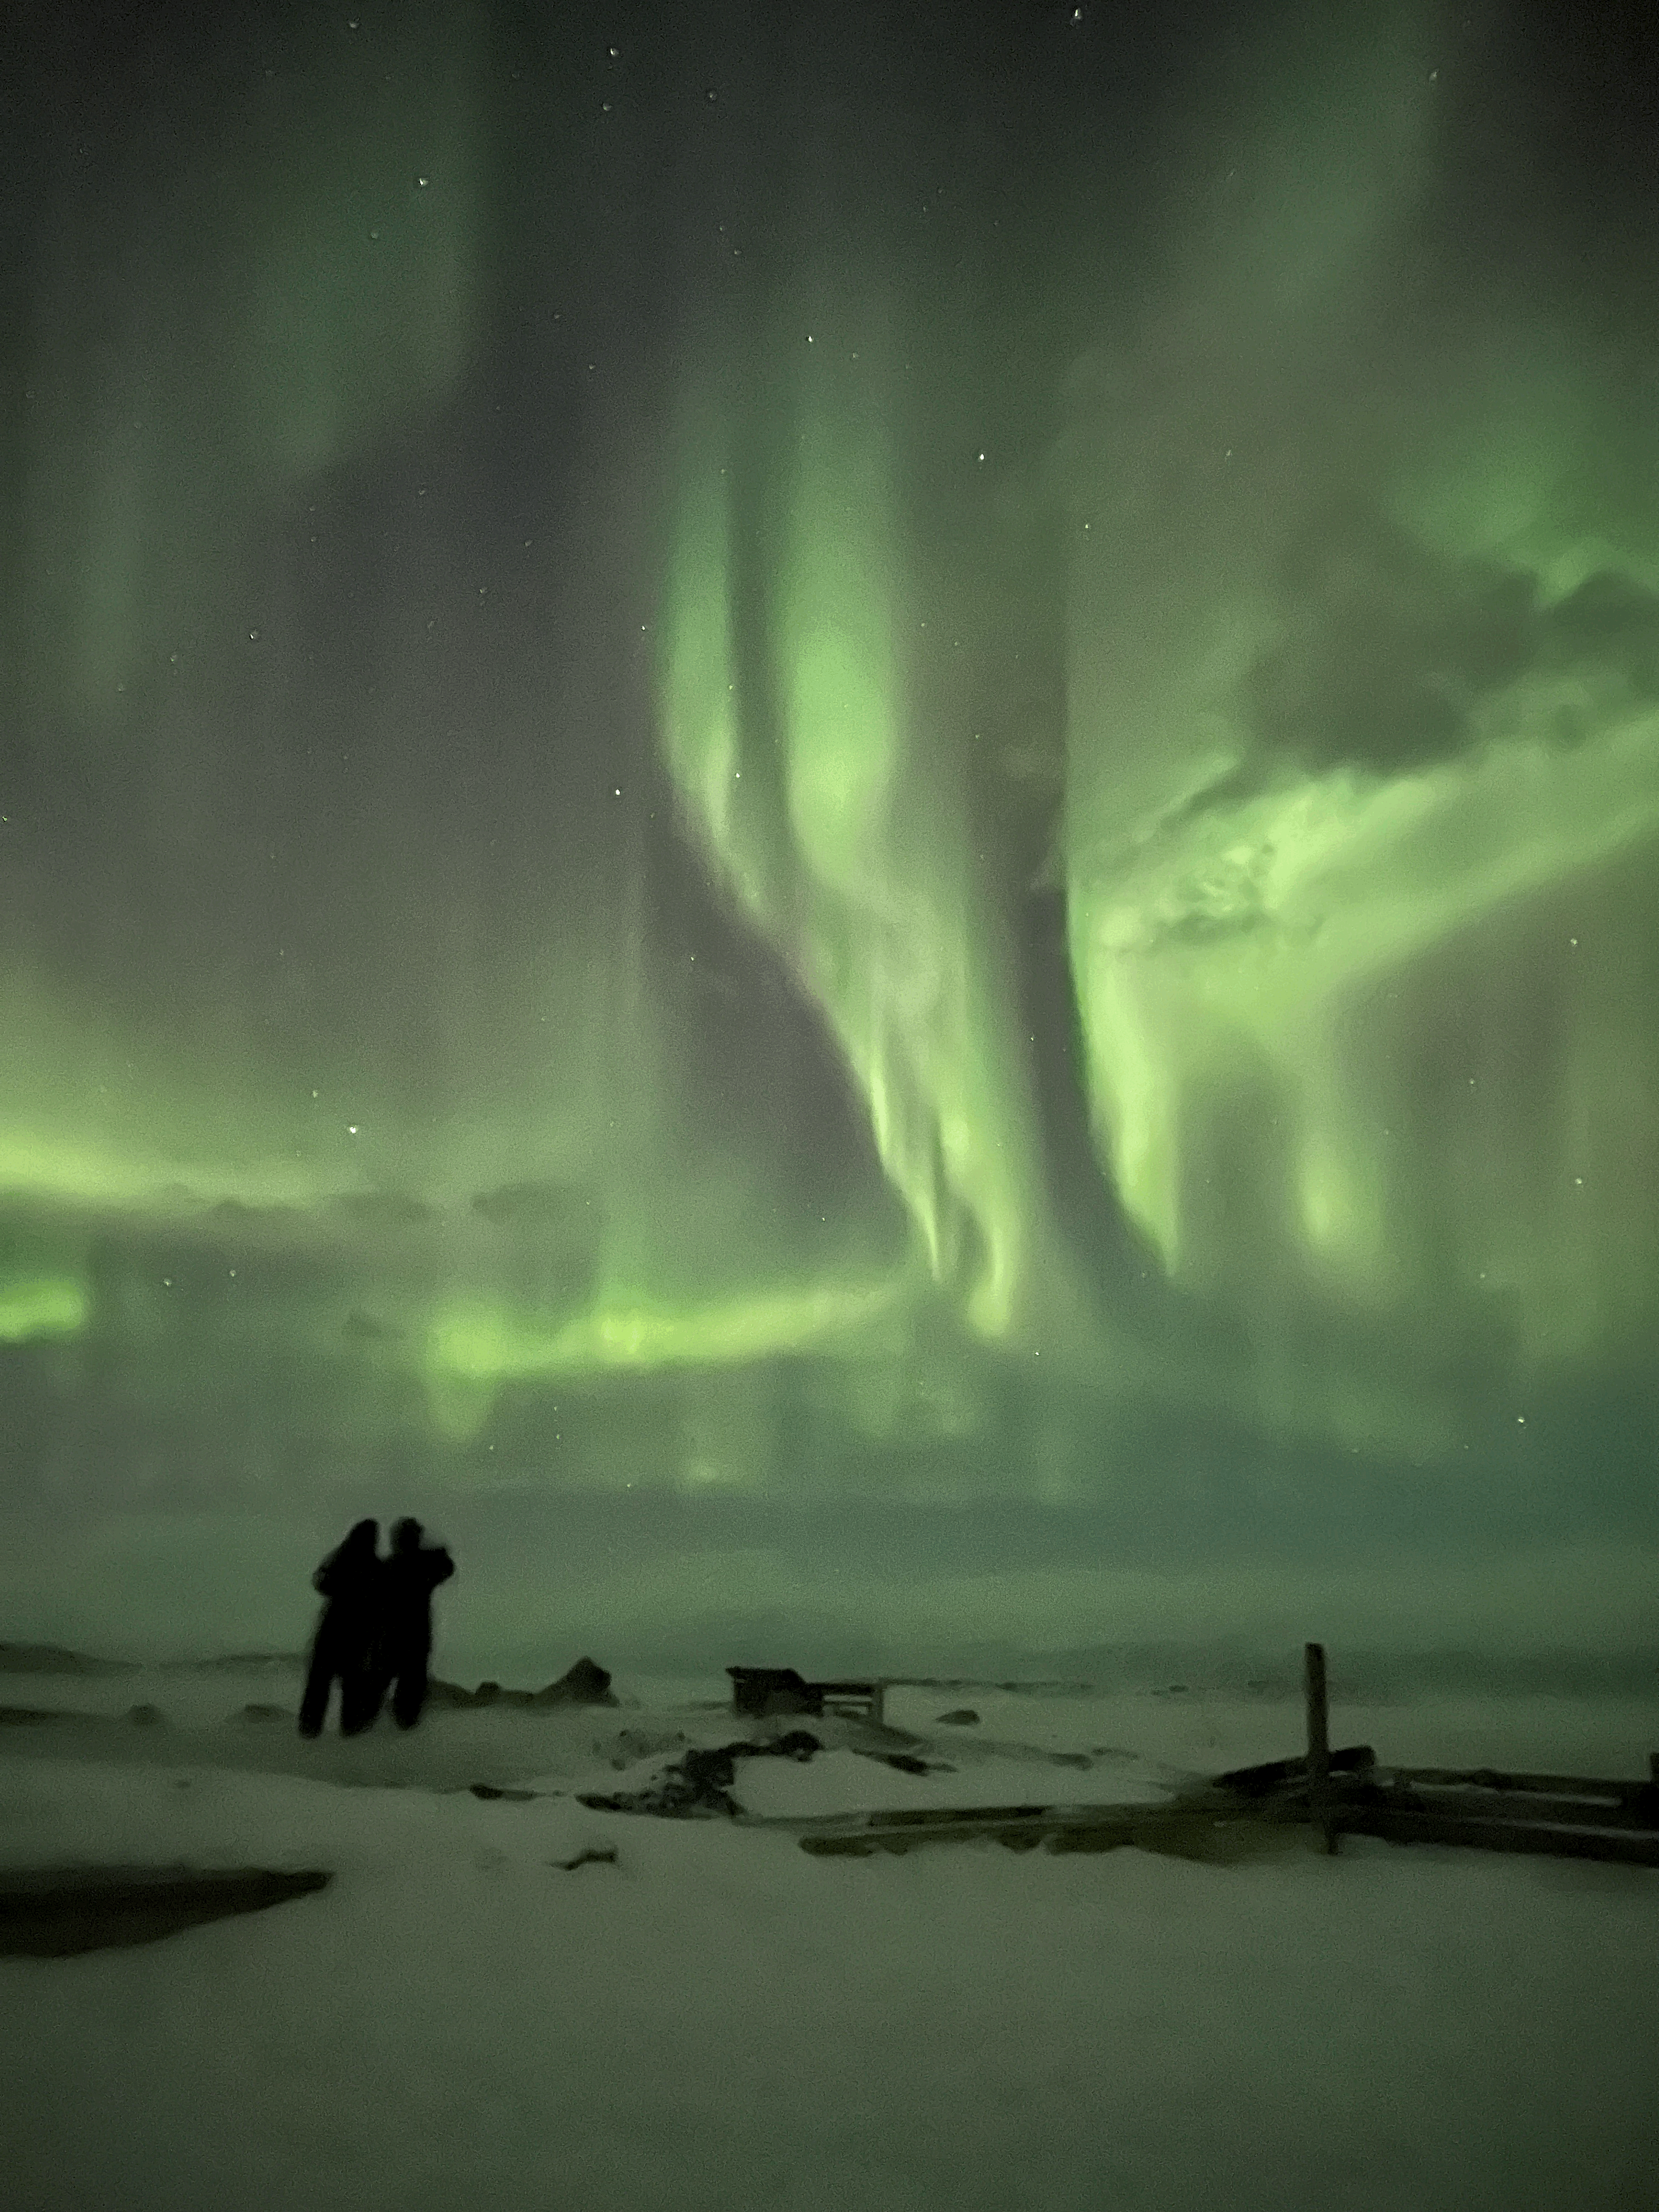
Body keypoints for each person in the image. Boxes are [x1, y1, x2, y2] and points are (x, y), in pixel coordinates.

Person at [298, 1520, 385, 1738]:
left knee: (321, 1687)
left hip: (336, 1632)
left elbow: (321, 1583)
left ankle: (310, 1734)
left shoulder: (342, 1558)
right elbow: (381, 1603)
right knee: (351, 1689)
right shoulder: (374, 1566)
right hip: (356, 1635)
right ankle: (348, 1734)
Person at [375, 1516, 454, 1730]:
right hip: (415, 1640)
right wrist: (436, 1552)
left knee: (378, 1689)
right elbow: (447, 1568)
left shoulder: (388, 1566)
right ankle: (401, 1732)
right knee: (409, 1695)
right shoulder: (423, 1565)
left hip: (390, 1639)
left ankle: (368, 1731)